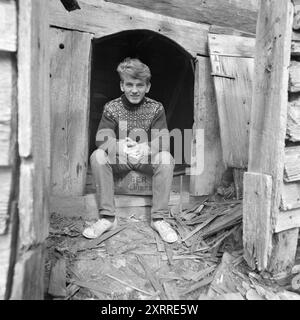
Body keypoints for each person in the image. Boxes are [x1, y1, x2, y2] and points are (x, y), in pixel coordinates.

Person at [82, 57, 178, 243]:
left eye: (140, 85)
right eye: (129, 84)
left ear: (147, 87)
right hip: (122, 158)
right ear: (121, 85)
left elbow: (164, 139)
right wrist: (118, 146)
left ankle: (158, 219)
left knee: (166, 158)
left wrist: (147, 147)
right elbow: (101, 138)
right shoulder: (111, 108)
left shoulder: (156, 108)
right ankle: (108, 218)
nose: (134, 90)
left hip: (144, 158)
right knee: (97, 156)